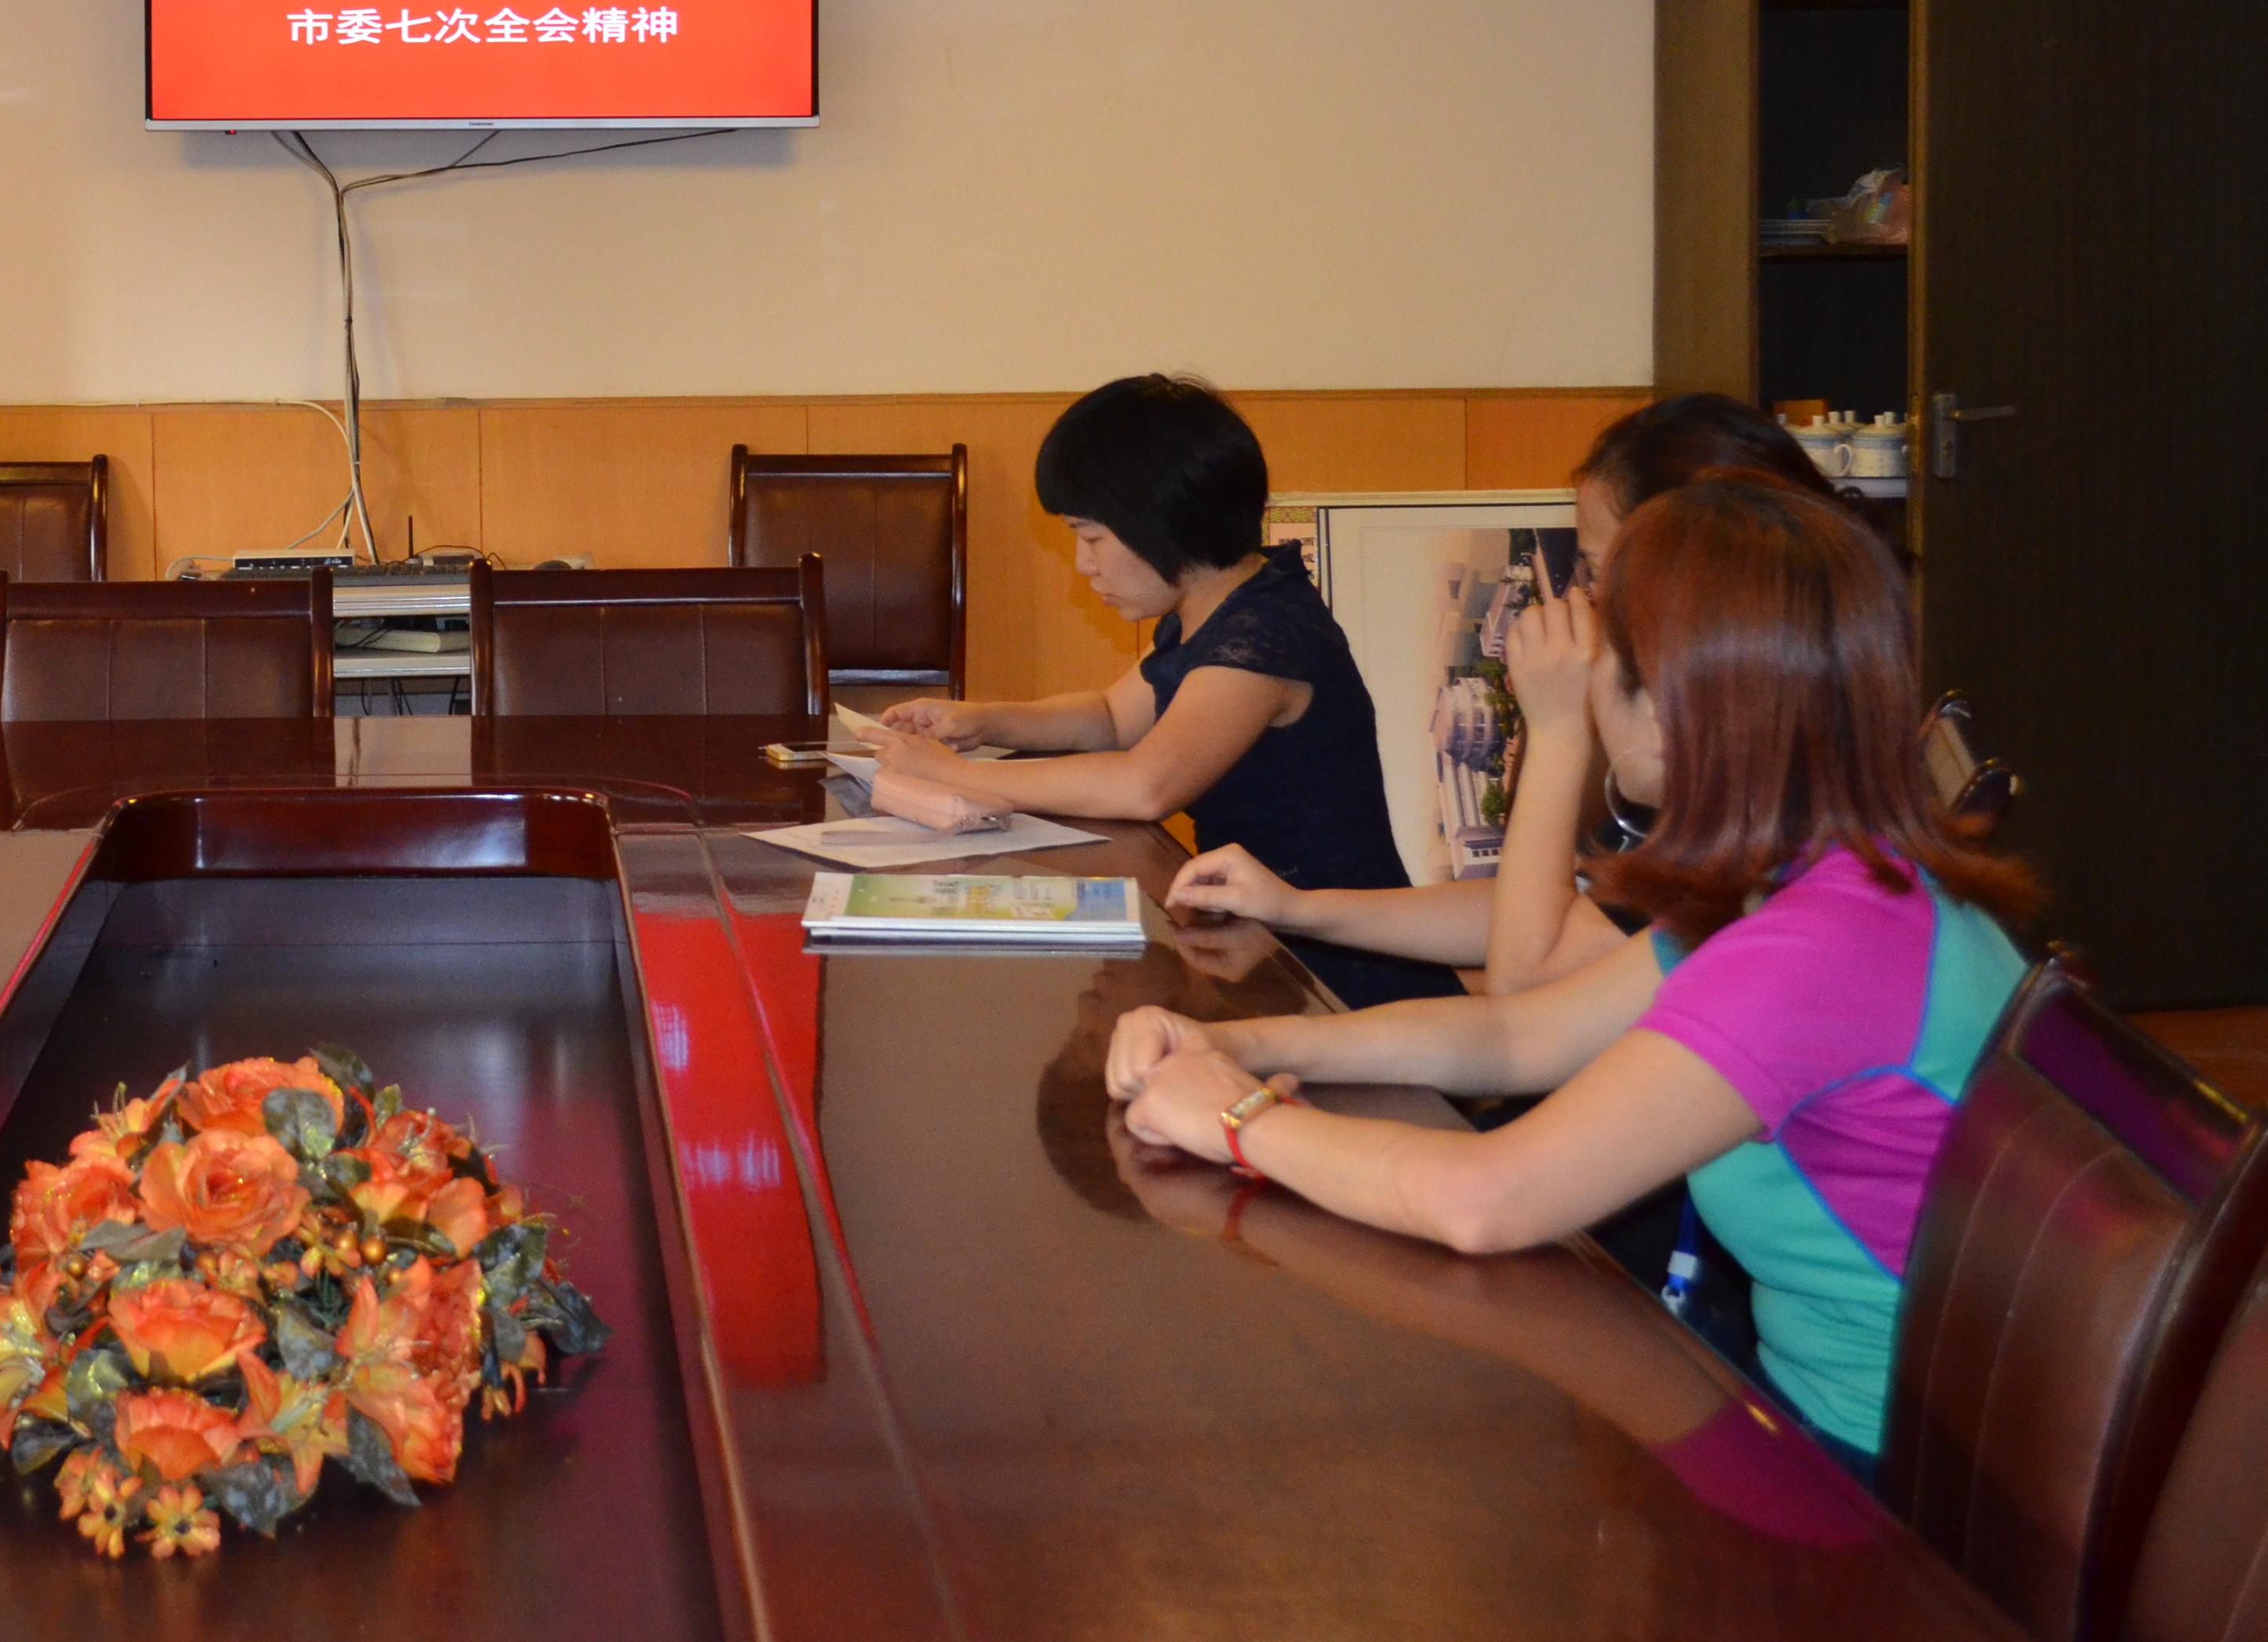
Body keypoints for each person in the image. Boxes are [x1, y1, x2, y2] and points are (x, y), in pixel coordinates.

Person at [1106, 472, 2036, 1468]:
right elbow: (1521, 1035)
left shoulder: (1815, 945)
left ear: (1670, 705)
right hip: (1825, 1428)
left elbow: (1486, 1200)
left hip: (1866, 1484)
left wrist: (1239, 1125)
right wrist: (1233, 1044)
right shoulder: (1819, 878)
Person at [1165, 393, 1845, 995]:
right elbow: (1539, 905)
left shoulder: (1763, 787)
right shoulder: (1687, 742)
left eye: (1598, 570)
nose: (1584, 597)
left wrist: (1556, 731)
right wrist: (1295, 907)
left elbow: (1527, 983)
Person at [871, 374, 1458, 1009]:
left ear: (1162, 522)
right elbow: (1112, 716)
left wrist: (959, 779)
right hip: (1253, 929)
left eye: (1091, 537)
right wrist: (986, 721)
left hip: (1330, 966)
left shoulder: (1265, 636)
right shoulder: (1213, 611)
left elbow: (1145, 785)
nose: (1082, 563)